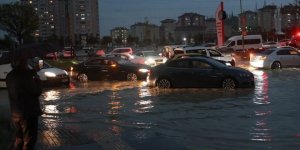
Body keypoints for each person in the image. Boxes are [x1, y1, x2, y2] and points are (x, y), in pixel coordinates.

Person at [6, 57, 43, 150]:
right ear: (22, 63)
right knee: (29, 141)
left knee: (19, 139)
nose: (27, 63)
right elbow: (36, 91)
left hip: (15, 113)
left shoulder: (10, 75)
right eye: (25, 61)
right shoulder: (25, 76)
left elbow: (23, 76)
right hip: (28, 113)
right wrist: (38, 81)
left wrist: (33, 71)